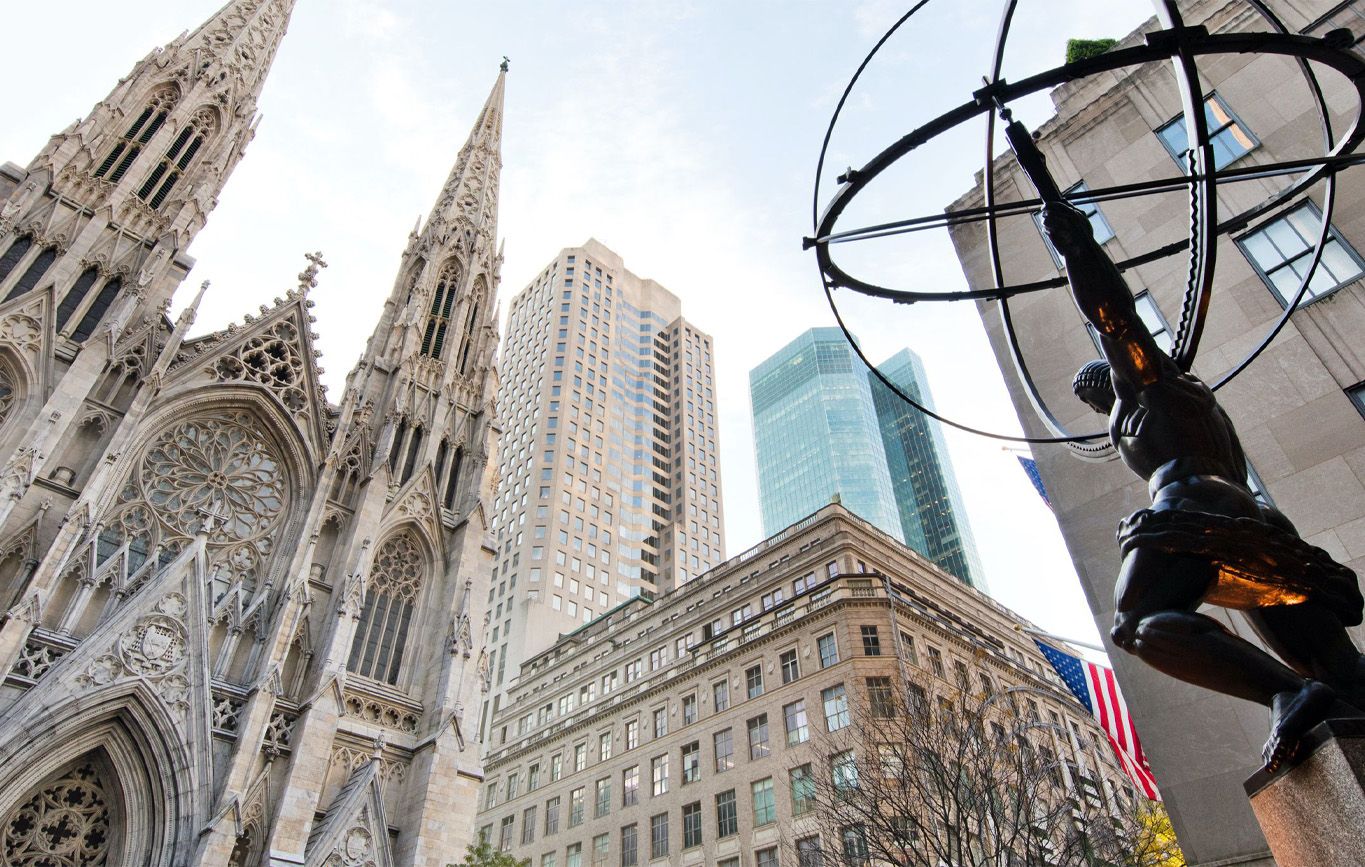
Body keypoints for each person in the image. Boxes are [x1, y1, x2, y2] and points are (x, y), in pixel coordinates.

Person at [1014, 127, 1364, 771]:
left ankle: (1287, 691)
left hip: (1195, 508)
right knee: (1341, 671)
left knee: (1137, 625)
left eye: (1096, 385)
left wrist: (1072, 244)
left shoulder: (1149, 382)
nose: (1096, 397)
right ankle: (1320, 694)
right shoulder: (1171, 403)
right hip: (1252, 517)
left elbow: (1111, 315)